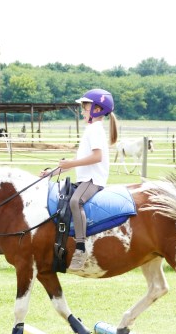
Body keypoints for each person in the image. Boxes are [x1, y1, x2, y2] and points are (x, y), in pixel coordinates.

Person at [41, 88, 118, 272]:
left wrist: (72, 163)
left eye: (85, 107)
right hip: (85, 179)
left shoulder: (95, 130)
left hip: (93, 180)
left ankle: (81, 249)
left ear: (97, 109)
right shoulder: (91, 130)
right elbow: (77, 161)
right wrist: (51, 173)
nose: (82, 111)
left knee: (75, 202)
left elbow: (97, 157)